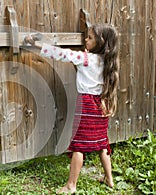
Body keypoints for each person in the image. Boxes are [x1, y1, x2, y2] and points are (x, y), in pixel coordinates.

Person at [24, 23, 119, 194]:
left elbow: (60, 54)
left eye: (90, 37)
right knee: (102, 144)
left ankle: (71, 185)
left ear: (100, 42)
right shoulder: (108, 62)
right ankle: (109, 179)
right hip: (102, 105)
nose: (86, 39)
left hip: (87, 106)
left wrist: (35, 44)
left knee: (79, 146)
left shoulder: (85, 58)